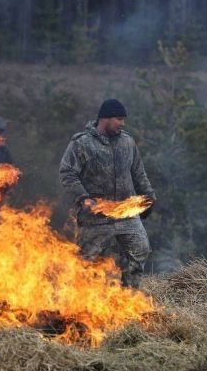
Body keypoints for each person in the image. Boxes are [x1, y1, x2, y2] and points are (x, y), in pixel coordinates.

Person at [59, 99, 156, 288]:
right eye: (119, 119)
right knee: (86, 263)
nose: (123, 123)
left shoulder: (127, 142)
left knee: (140, 249)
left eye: (123, 119)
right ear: (105, 119)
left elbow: (138, 173)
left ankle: (129, 297)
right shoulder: (82, 143)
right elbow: (67, 173)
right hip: (96, 217)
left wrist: (149, 197)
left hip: (127, 213)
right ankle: (82, 305)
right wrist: (84, 198)